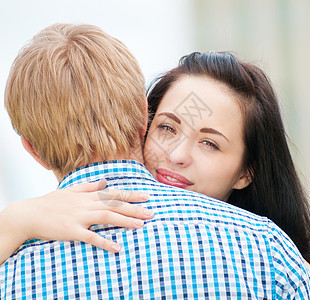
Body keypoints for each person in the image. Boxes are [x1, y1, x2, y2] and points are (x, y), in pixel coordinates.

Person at [0, 23, 309, 298]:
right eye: (167, 127)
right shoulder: (266, 251)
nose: (175, 156)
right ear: (143, 118)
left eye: (210, 143)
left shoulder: (12, 271)